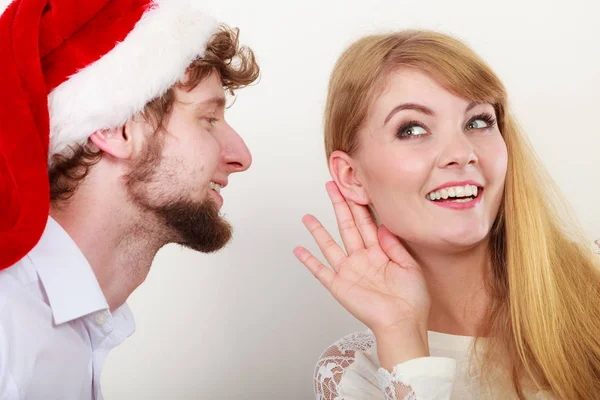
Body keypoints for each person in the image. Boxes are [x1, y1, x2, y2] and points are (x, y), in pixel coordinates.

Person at [294, 30, 600, 399]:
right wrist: (401, 335)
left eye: (477, 122)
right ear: (352, 177)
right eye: (413, 129)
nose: (462, 152)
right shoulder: (355, 375)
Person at [0, 0, 259, 398]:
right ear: (117, 129)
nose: (241, 155)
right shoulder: (8, 337)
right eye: (208, 119)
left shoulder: (71, 331)